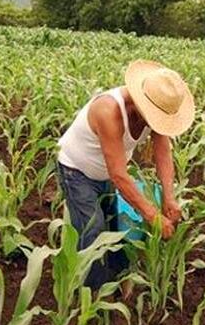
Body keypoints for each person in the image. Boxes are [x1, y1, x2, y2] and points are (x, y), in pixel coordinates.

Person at [57, 60, 195, 289]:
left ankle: (117, 281)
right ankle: (92, 300)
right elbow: (119, 174)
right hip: (76, 171)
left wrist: (169, 197)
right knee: (92, 233)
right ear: (142, 102)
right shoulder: (108, 111)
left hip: (105, 175)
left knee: (113, 229)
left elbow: (163, 154)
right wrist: (152, 215)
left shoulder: (154, 111)